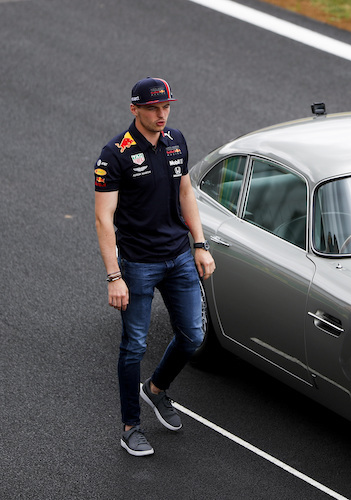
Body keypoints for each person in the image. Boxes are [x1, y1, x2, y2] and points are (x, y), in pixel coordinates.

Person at [94, 77, 216, 456]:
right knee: (134, 346)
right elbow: (103, 218)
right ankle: (130, 426)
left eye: (166, 107)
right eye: (152, 108)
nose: (161, 114)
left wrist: (199, 244)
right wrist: (114, 276)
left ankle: (156, 389)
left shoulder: (175, 140)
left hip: (179, 256)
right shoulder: (114, 154)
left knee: (193, 336)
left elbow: (186, 192)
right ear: (135, 109)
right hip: (138, 264)